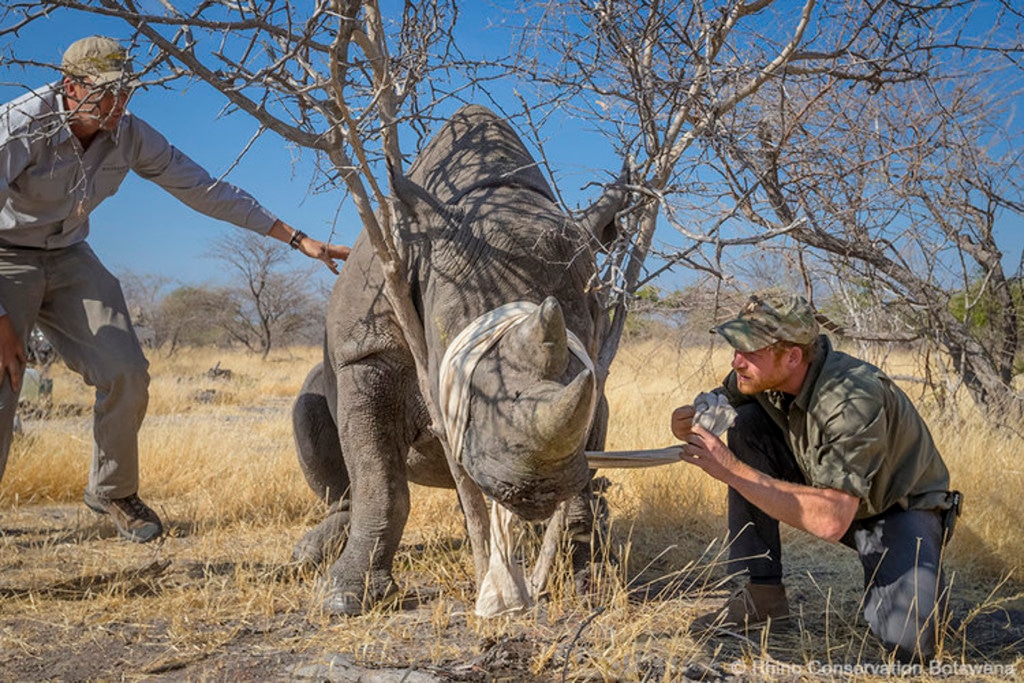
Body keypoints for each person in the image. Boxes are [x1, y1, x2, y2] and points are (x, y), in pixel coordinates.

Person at [0, 36, 350, 543]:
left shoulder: (129, 132)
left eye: (126, 93)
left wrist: (296, 238)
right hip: (5, 253)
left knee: (126, 370)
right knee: (5, 379)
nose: (119, 106)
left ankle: (113, 491)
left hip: (69, 254)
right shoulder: (18, 124)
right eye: (106, 94)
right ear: (71, 86)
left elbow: (204, 189)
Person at [671, 293, 959, 662]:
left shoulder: (851, 399)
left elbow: (830, 521)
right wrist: (687, 419)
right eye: (735, 348)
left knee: (911, 646)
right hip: (829, 490)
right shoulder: (761, 373)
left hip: (896, 508)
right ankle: (762, 597)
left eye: (749, 351)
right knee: (744, 424)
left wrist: (730, 468)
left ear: (792, 356)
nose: (736, 361)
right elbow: (721, 401)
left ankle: (918, 574)